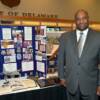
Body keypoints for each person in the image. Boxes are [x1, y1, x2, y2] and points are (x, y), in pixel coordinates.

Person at [57, 9, 100, 100]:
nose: (81, 21)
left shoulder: (98, 37)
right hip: (71, 84)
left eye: (84, 18)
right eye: (78, 19)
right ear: (75, 21)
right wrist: (61, 76)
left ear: (88, 19)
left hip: (91, 86)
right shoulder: (65, 37)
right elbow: (60, 59)